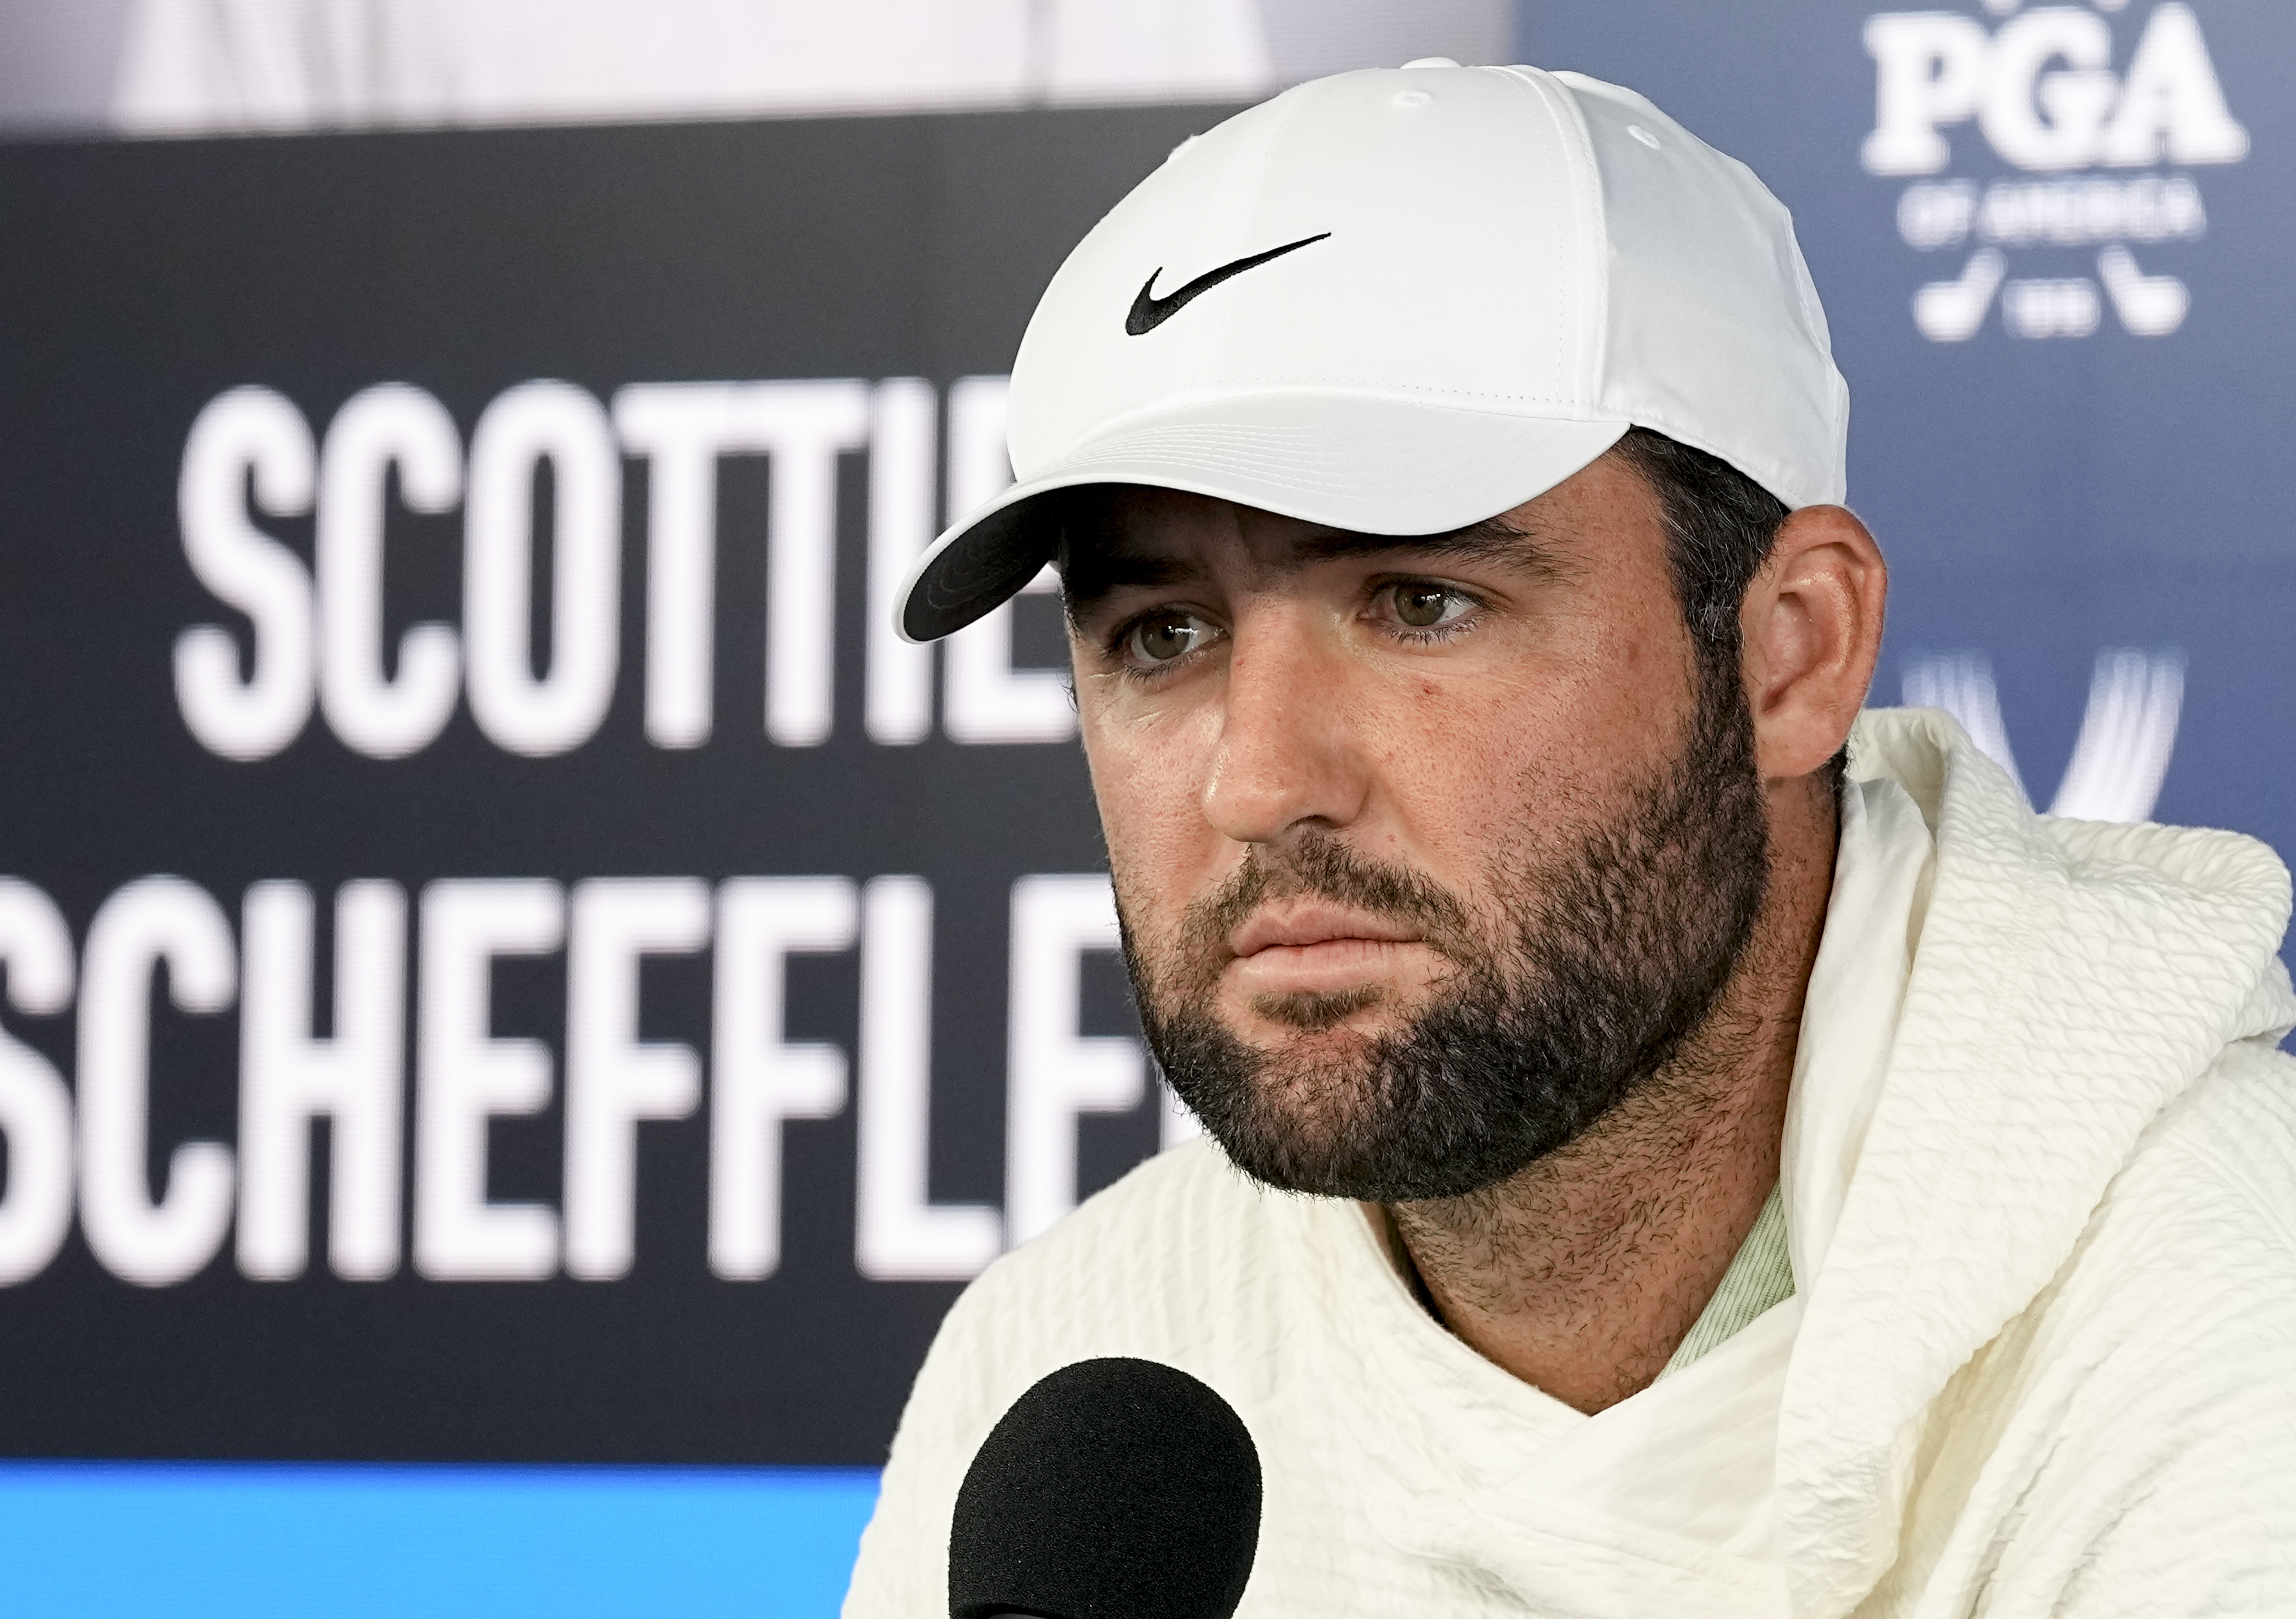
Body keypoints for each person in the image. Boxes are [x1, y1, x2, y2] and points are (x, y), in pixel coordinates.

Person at [846, 62, 2296, 1617]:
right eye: (1164, 633)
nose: (1258, 781)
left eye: (1420, 602)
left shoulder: (2223, 1313)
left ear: (1792, 654)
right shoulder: (1082, 1352)